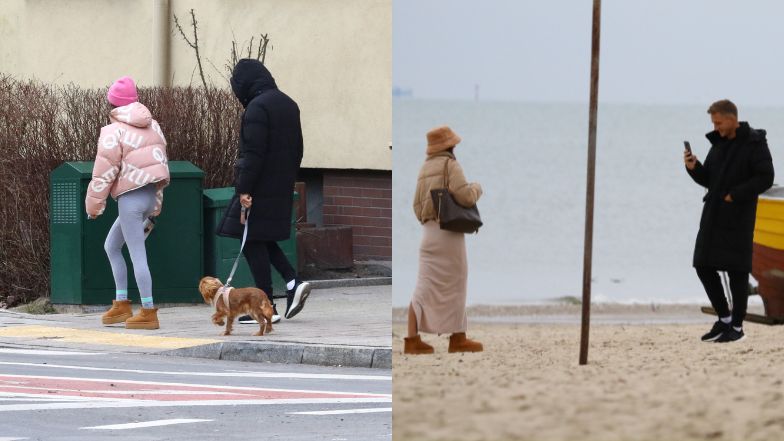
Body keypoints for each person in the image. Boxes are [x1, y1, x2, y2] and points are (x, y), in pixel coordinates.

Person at [218, 59, 311, 324]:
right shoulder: (288, 103)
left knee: (247, 236)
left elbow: (253, 153)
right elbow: (298, 149)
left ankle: (265, 306)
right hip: (281, 183)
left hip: (258, 184)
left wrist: (244, 188)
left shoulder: (257, 108)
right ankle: (292, 282)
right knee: (258, 237)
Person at [684, 99, 774, 343]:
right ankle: (724, 318)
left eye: (718, 122)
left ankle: (737, 327)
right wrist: (694, 168)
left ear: (732, 118)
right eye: (714, 122)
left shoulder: (755, 143)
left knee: (737, 271)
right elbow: (710, 180)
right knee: (702, 264)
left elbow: (766, 177)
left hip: (739, 216)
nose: (716, 127)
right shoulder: (719, 144)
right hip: (713, 214)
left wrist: (736, 195)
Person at [86, 76, 170, 330]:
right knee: (111, 246)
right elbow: (160, 163)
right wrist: (156, 204)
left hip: (130, 199)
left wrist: (93, 206)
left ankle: (148, 310)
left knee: (137, 255)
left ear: (113, 103)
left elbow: (103, 171)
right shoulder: (153, 126)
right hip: (148, 195)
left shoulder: (113, 132)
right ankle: (121, 303)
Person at [404, 126, 484, 355]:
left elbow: (416, 207)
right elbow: (465, 196)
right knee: (457, 283)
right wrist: (477, 188)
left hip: (428, 234)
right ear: (450, 146)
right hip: (448, 235)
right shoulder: (450, 165)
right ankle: (457, 338)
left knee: (423, 286)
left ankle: (412, 340)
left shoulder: (424, 168)